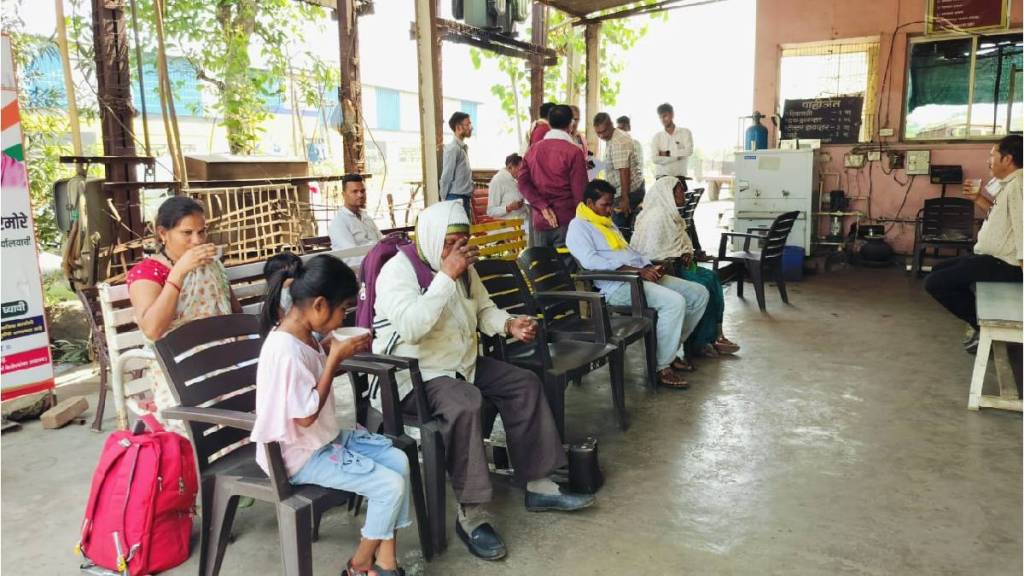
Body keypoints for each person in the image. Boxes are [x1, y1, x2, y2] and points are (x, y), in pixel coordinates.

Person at [372, 201, 594, 561]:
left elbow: (484, 309)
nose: (458, 250)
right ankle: (472, 515)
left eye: (463, 241)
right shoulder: (398, 272)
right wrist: (445, 276)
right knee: (466, 402)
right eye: (450, 242)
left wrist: (508, 324)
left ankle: (539, 483)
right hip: (415, 373)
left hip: (460, 363)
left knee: (524, 384)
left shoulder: (462, 270)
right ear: (429, 238)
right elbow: (412, 327)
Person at [253, 254, 411, 576]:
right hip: (298, 456)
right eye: (344, 310)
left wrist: (328, 348)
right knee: (389, 486)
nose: (344, 317)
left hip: (321, 440)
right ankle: (360, 564)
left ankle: (386, 561)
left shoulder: (302, 335)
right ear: (320, 305)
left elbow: (309, 378)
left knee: (400, 462)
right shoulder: (284, 350)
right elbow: (304, 416)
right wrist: (335, 357)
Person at [566, 180, 709, 389]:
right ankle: (661, 366)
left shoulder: (604, 221)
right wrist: (636, 271)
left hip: (638, 276)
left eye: (609, 205)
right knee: (674, 303)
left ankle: (669, 351)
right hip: (617, 286)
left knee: (698, 293)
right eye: (604, 205)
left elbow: (629, 252)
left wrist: (650, 266)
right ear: (589, 202)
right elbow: (591, 262)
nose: (609, 210)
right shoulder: (578, 227)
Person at [126, 196, 242, 433]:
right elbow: (153, 329)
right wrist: (178, 272)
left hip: (223, 355)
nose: (197, 241)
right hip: (179, 365)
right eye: (187, 233)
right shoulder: (148, 272)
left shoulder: (212, 265)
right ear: (163, 233)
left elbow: (233, 314)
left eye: (202, 232)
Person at [925, 134, 1023, 353]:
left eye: (992, 155)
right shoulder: (1010, 184)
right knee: (938, 270)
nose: (988, 160)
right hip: (991, 259)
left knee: (935, 283)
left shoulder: (1019, 186)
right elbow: (1001, 216)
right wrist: (978, 198)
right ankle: (980, 321)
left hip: (1005, 264)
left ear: (1007, 159)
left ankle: (985, 327)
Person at [630, 176, 740, 357]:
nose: (684, 193)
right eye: (679, 190)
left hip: (682, 264)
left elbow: (682, 243)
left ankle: (716, 335)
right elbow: (650, 253)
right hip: (669, 268)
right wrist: (680, 256)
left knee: (712, 278)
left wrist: (687, 253)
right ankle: (700, 341)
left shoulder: (671, 214)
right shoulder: (656, 217)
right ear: (667, 193)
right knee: (704, 285)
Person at [518, 104, 588, 254]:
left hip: (540, 219)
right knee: (566, 271)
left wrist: (543, 206)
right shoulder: (574, 152)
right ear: (571, 124)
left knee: (545, 270)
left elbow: (522, 182)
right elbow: (580, 193)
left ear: (549, 123)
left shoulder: (533, 150)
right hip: (566, 220)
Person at [593, 112, 644, 233]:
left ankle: (621, 251)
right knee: (622, 230)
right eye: (598, 133)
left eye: (603, 131)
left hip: (626, 193)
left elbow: (624, 171)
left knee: (617, 232)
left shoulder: (618, 142)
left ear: (611, 125)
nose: (601, 136)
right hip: (629, 190)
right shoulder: (613, 137)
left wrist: (625, 199)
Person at [328, 174, 382, 267]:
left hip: (378, 263)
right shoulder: (339, 223)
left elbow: (381, 240)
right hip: (357, 271)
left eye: (362, 191)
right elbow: (352, 256)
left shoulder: (366, 217)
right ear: (344, 195)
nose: (360, 195)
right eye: (355, 191)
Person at [440, 111, 474, 215]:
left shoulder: (462, 148)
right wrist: (444, 201)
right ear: (458, 128)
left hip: (463, 199)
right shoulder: (453, 149)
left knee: (465, 231)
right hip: (455, 199)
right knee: (458, 231)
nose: (471, 127)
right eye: (468, 124)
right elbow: (446, 177)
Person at [650, 103, 694, 180]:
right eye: (660, 117)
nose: (663, 120)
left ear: (672, 115)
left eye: (665, 116)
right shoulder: (657, 137)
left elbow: (688, 151)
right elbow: (654, 159)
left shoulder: (685, 132)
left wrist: (666, 153)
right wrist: (678, 156)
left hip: (680, 179)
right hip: (661, 178)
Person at [486, 153, 528, 223]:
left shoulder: (517, 179)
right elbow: (491, 211)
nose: (522, 172)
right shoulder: (497, 180)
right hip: (509, 225)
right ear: (510, 167)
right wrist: (508, 208)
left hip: (524, 220)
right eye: (520, 169)